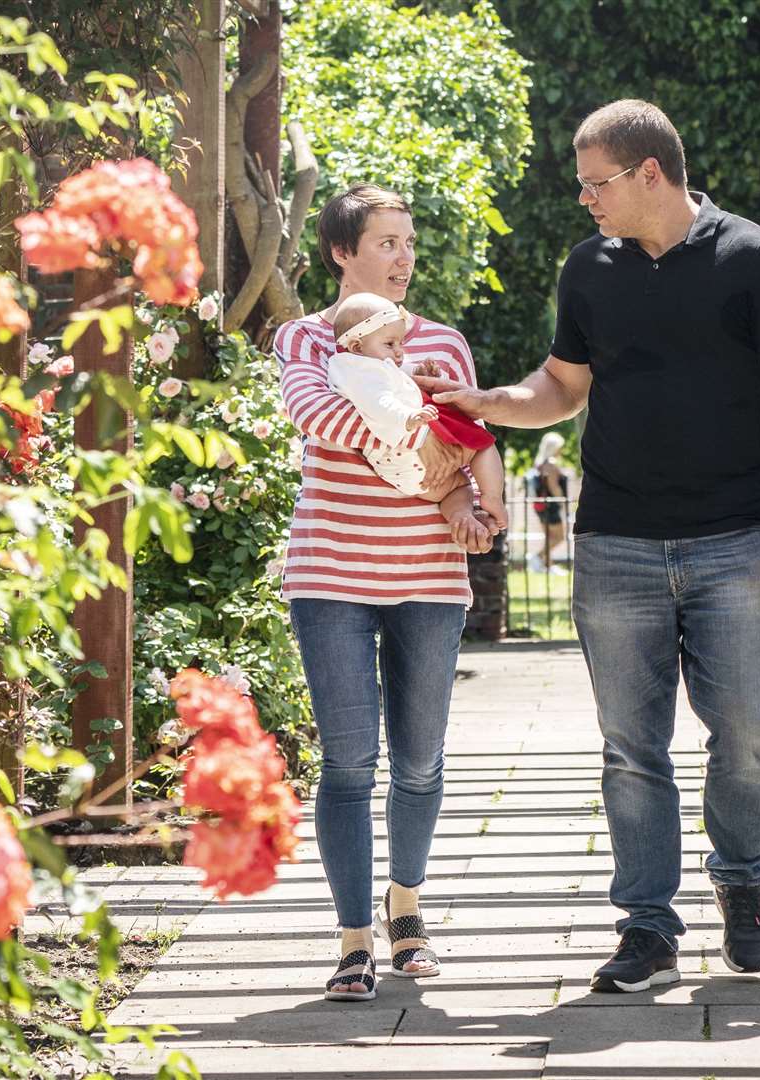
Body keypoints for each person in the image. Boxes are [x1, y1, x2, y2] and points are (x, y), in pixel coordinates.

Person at [415, 99, 760, 994]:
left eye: (595, 184)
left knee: (748, 734)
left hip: (737, 541)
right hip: (618, 544)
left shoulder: (754, 259)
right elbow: (561, 388)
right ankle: (647, 927)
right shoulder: (588, 269)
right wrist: (487, 403)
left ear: (649, 174)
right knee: (630, 746)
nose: (585, 201)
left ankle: (742, 883)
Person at [273, 183, 502, 1002]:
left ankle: (407, 911)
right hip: (330, 573)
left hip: (429, 577)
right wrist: (416, 431)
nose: (404, 258)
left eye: (408, 242)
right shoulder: (301, 337)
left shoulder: (443, 344)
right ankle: (352, 942)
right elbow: (316, 417)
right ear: (343, 253)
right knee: (346, 763)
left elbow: (473, 440)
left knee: (418, 760)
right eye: (386, 243)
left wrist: (474, 500)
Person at [326, 290, 507, 551]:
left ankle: (462, 517)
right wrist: (409, 420)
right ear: (356, 346)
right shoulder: (360, 371)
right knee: (481, 446)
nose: (399, 352)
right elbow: (378, 403)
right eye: (390, 344)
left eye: (400, 343)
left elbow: (398, 373)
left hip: (404, 473)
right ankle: (492, 498)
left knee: (456, 486)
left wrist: (421, 372)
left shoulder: (369, 361)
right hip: (406, 446)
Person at [527, 431, 569, 574]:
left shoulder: (538, 464)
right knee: (559, 537)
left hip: (541, 506)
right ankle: (537, 558)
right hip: (551, 505)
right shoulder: (550, 464)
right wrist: (563, 501)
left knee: (549, 537)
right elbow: (554, 488)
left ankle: (548, 565)